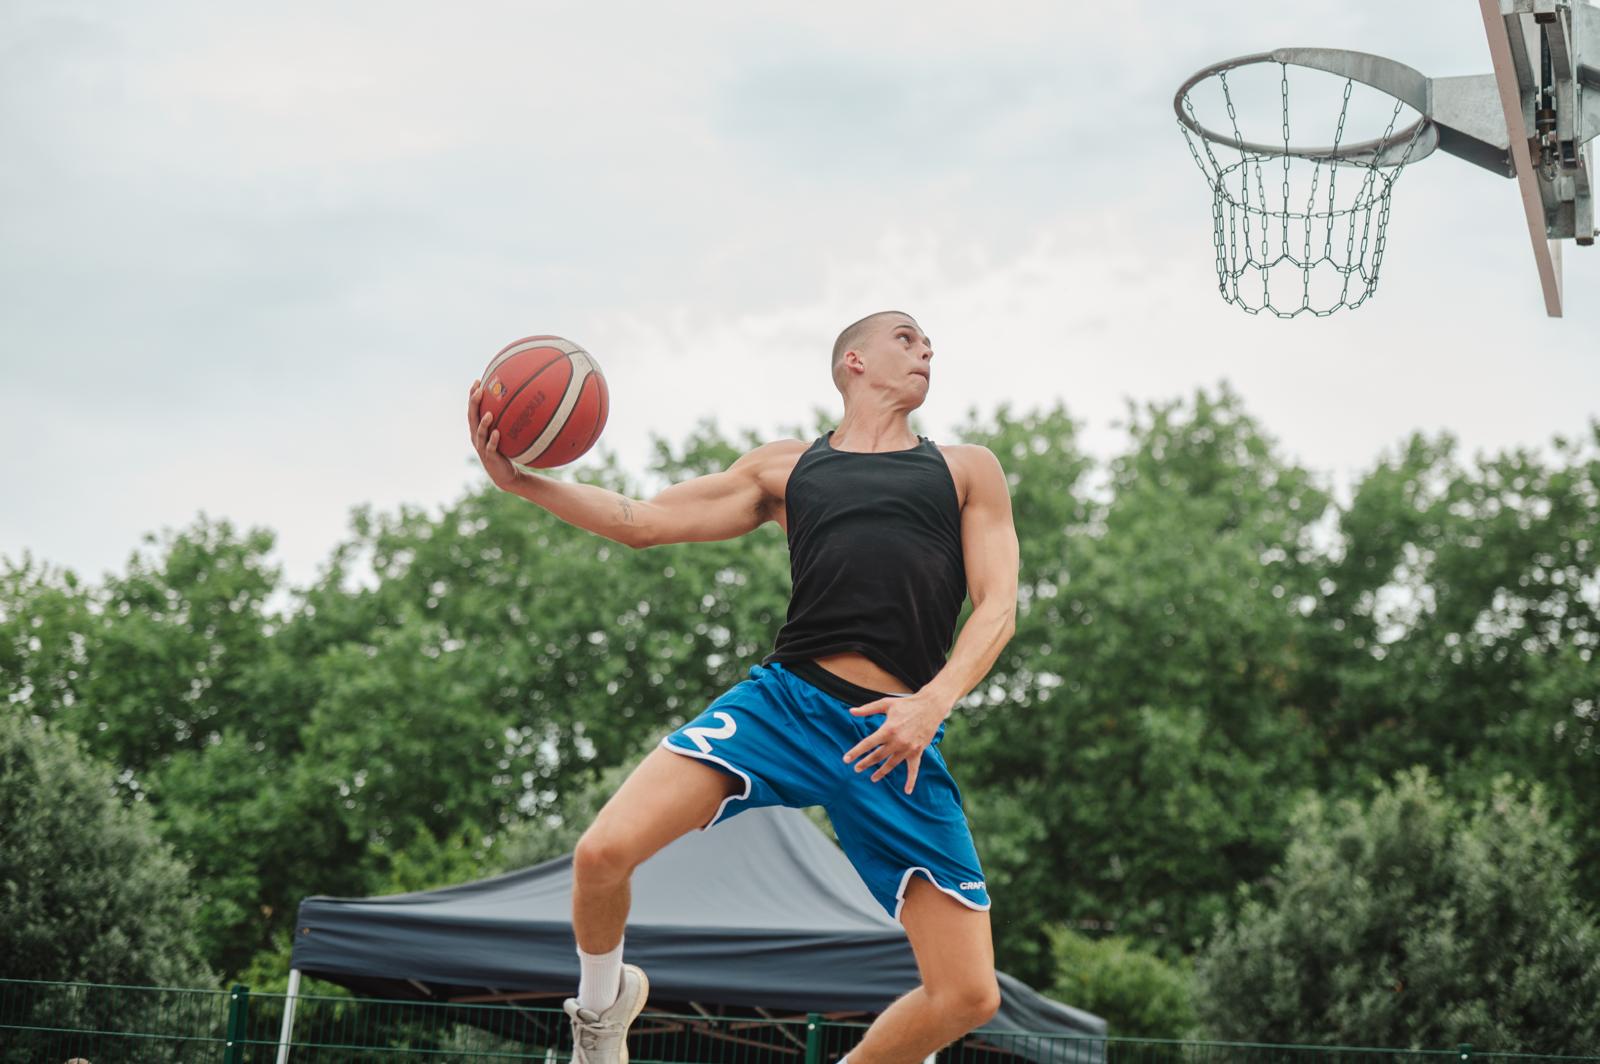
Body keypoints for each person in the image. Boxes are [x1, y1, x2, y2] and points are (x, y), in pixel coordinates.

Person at [467, 311, 1019, 1064]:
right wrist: (527, 483)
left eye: (927, 343)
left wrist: (934, 701)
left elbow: (998, 606)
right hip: (785, 706)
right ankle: (599, 1016)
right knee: (600, 855)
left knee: (968, 995)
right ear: (853, 360)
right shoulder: (785, 470)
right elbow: (645, 521)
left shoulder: (965, 469)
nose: (927, 350)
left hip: (896, 733)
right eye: (907, 337)